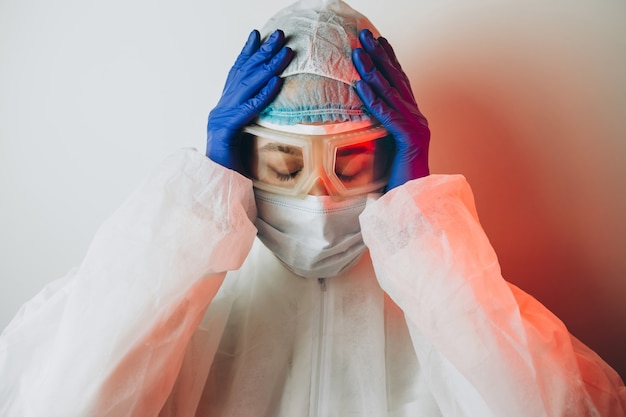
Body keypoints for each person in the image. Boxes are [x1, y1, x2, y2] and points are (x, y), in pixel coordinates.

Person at [1, 0, 624, 416]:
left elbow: (561, 406)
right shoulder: (183, 294)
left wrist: (424, 225)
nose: (321, 194)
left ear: (391, 157)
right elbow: (65, 397)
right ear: (243, 157)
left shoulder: (451, 303)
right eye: (285, 163)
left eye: (351, 160)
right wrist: (195, 206)